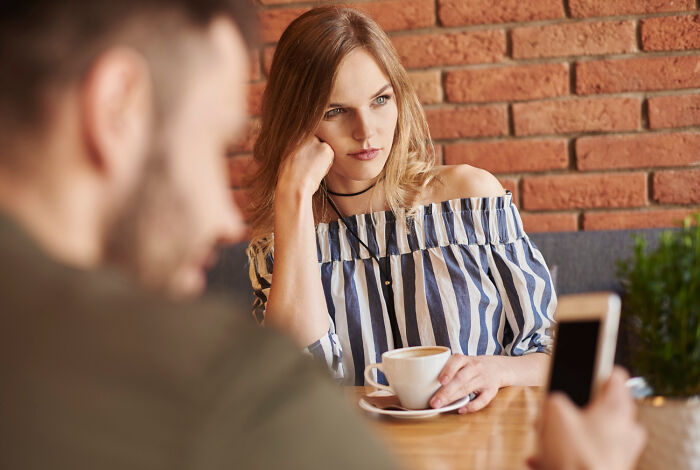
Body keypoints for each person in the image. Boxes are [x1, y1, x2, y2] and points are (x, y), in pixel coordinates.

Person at [0, 1, 397, 468]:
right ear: (115, 106)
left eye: (380, 99)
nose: (224, 220)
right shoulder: (220, 391)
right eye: (210, 141)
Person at [246, 6, 556, 412]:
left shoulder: (470, 199)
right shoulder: (280, 239)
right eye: (335, 111)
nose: (366, 131)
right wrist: (295, 195)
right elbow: (292, 393)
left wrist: (498, 370)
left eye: (380, 99)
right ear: (299, 123)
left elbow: (556, 356)